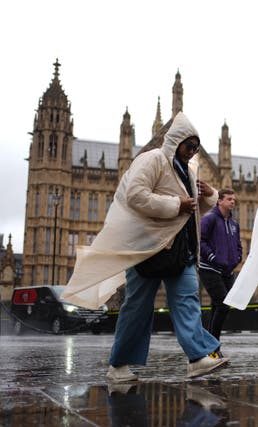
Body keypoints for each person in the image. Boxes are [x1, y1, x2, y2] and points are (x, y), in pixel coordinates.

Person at [62, 112, 228, 382]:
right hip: (149, 249)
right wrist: (177, 204)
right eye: (189, 146)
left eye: (196, 148)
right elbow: (135, 195)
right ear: (176, 141)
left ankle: (198, 357)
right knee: (137, 307)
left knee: (188, 302)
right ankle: (118, 365)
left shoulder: (189, 169)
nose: (193, 152)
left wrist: (210, 194)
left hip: (181, 250)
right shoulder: (151, 159)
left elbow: (195, 207)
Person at [199, 188, 242, 340]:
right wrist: (212, 256)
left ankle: (209, 344)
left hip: (227, 270)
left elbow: (238, 244)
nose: (232, 202)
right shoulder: (210, 218)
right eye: (229, 199)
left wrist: (237, 258)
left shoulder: (234, 223)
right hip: (209, 268)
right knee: (222, 304)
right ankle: (213, 343)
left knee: (220, 305)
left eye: (234, 199)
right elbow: (200, 240)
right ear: (219, 201)